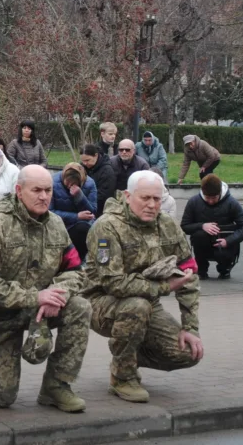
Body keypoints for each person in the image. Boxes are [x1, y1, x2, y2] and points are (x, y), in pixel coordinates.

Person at [0, 165, 90, 413]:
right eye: (36, 190)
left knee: (80, 307)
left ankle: (56, 386)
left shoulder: (56, 224)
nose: (44, 196)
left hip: (40, 308)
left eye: (48, 190)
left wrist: (57, 294)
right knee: (3, 396)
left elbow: (75, 270)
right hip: (0, 315)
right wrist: (34, 296)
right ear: (19, 191)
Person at [84, 171, 203, 403]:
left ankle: (126, 354)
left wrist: (191, 327)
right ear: (128, 196)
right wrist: (165, 286)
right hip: (99, 302)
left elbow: (189, 273)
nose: (151, 205)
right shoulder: (106, 228)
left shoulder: (167, 225)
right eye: (145, 198)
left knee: (189, 353)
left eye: (156, 199)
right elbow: (113, 283)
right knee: (137, 306)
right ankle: (122, 377)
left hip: (146, 303)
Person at [180, 175, 243, 280]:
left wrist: (228, 241)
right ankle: (201, 270)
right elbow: (184, 226)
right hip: (202, 243)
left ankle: (225, 269)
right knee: (199, 235)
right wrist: (202, 225)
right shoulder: (194, 202)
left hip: (224, 242)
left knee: (224, 253)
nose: (210, 201)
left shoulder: (232, 203)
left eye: (214, 198)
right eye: (207, 197)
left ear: (220, 192)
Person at [49, 162, 97, 260]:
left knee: (86, 230)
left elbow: (92, 211)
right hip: (60, 224)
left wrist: (80, 196)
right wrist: (76, 216)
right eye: (68, 182)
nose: (70, 186)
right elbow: (50, 212)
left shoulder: (90, 183)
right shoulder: (53, 182)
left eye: (74, 183)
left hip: (81, 225)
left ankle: (82, 260)